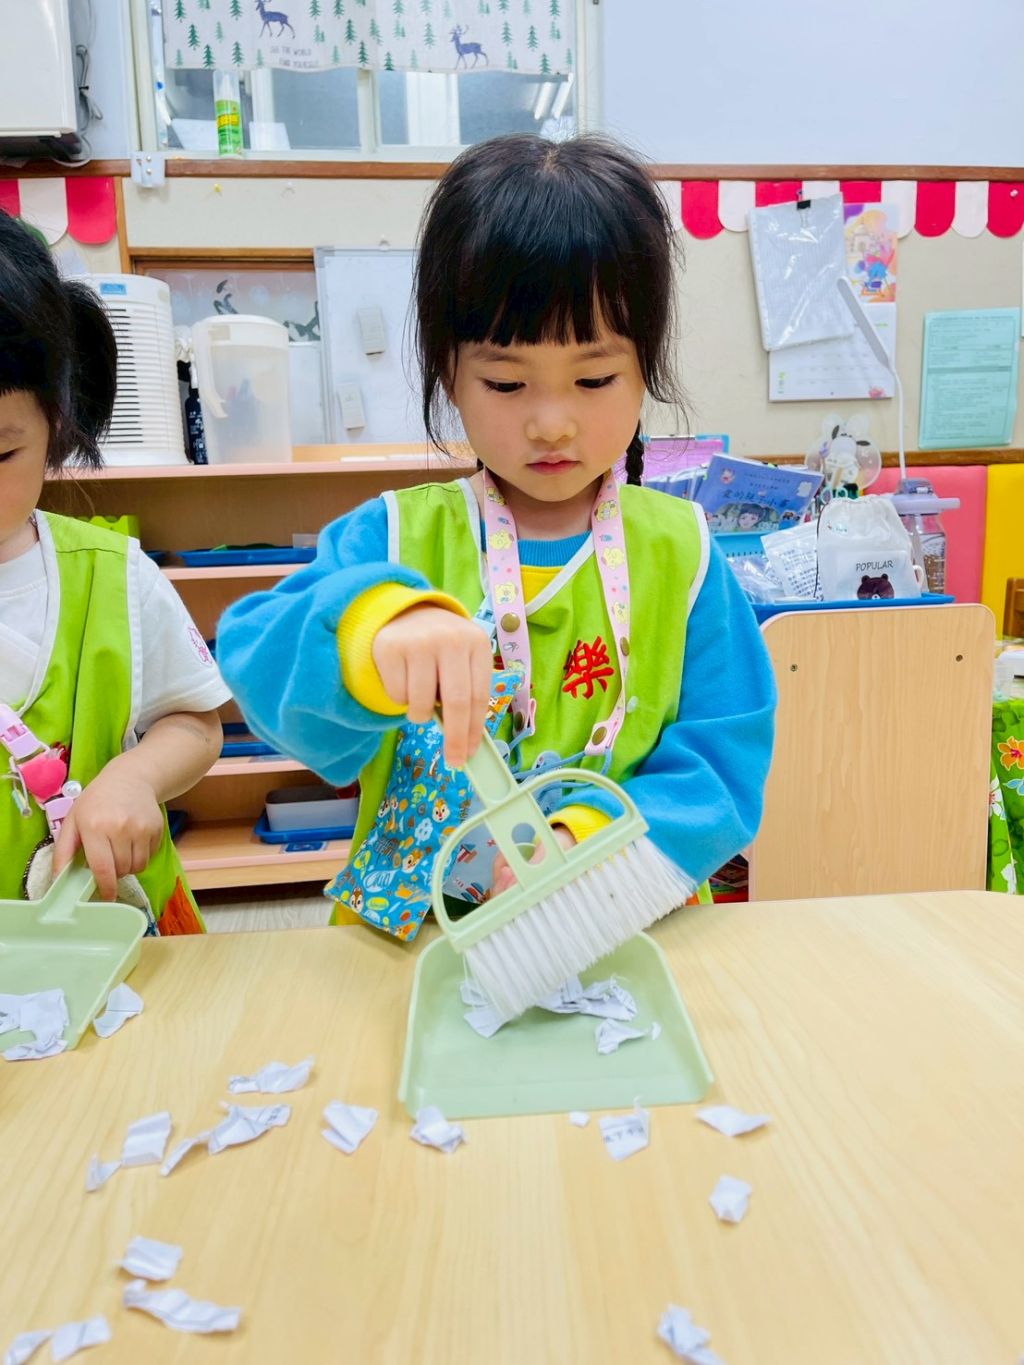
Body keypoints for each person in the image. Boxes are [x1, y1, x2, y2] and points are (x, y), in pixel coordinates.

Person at [217, 134, 776, 939]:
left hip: (624, 923)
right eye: (507, 382)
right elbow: (256, 660)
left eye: (594, 378)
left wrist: (585, 841)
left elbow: (724, 763)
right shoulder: (397, 536)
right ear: (449, 373)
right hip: (426, 947)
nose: (551, 422)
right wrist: (374, 632)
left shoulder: (681, 552)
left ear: (644, 369)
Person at [0, 211, 230, 929]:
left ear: (57, 423)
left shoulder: (115, 576)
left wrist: (136, 775)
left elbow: (197, 724)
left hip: (123, 937)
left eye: (1, 454)